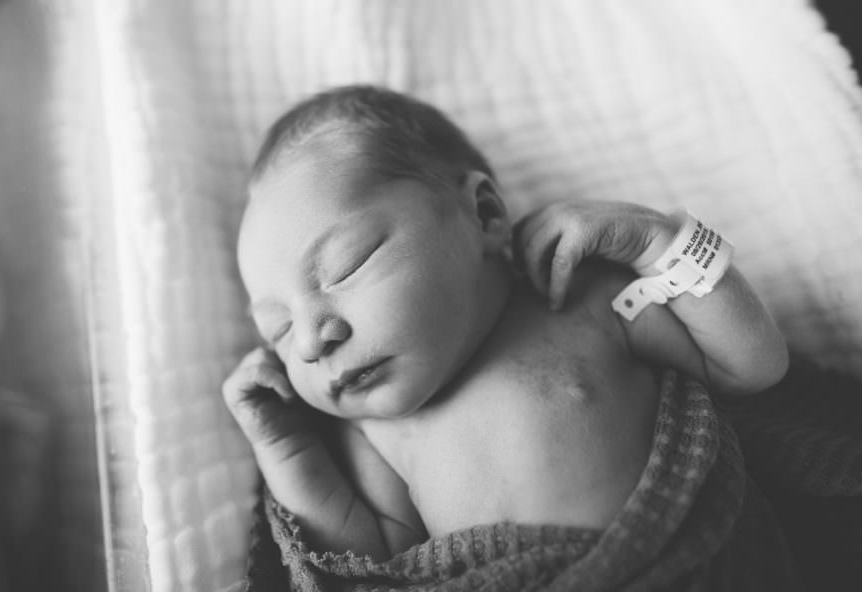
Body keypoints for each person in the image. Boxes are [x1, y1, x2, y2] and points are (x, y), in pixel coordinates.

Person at [222, 84, 789, 560]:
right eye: (278, 330)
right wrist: (284, 446)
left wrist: (657, 239)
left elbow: (752, 366)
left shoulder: (582, 305)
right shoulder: (374, 428)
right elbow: (371, 559)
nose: (313, 341)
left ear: (485, 214)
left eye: (346, 267)